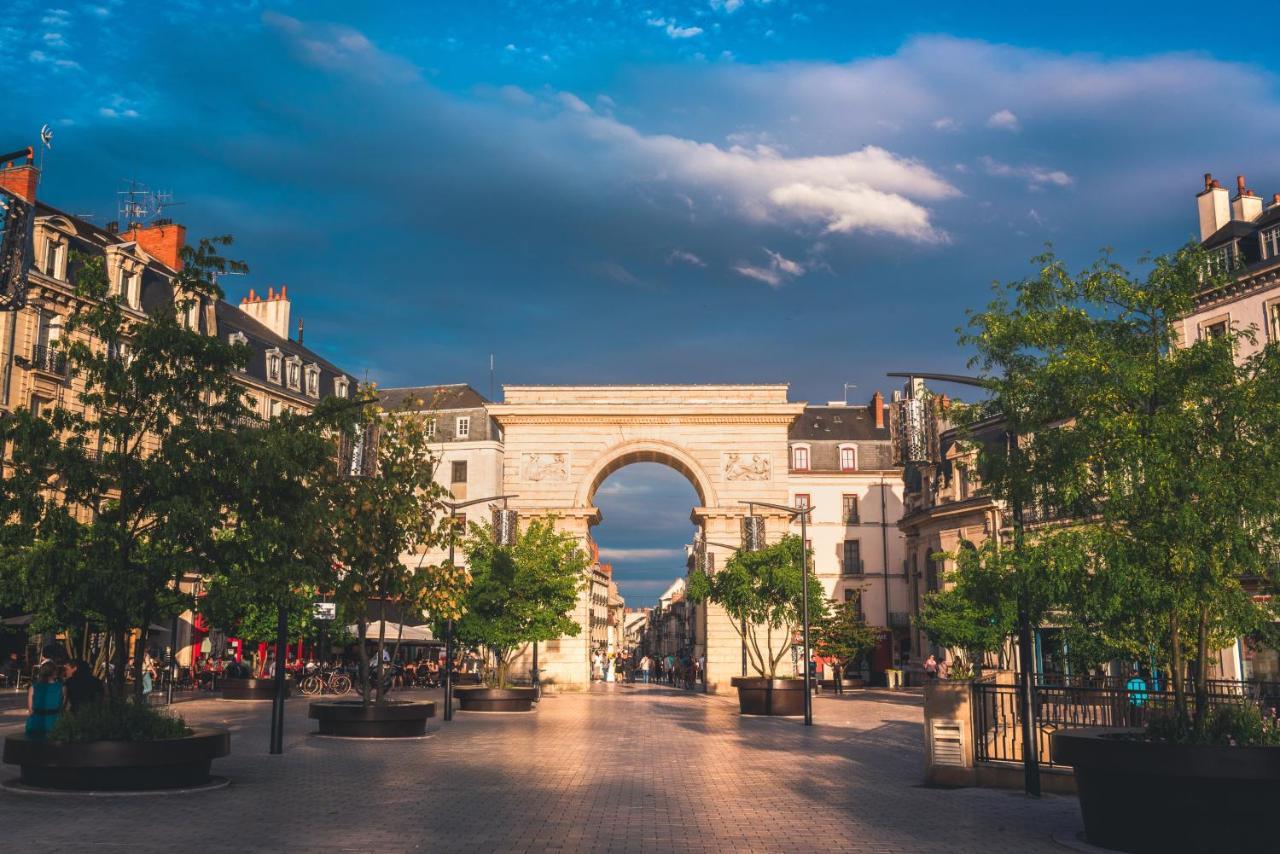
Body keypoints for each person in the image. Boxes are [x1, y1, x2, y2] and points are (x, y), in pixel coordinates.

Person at [25, 661, 67, 739]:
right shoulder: (62, 688)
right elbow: (62, 707)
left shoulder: (33, 688)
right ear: (55, 673)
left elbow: (30, 710)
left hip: (35, 724)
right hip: (55, 724)